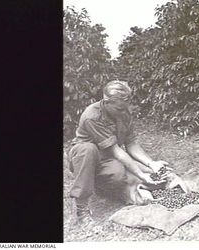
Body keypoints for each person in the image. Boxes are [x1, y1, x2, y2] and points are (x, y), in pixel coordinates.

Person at [68, 80, 172, 226]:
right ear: (106, 102)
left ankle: (101, 186)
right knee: (88, 150)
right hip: (85, 156)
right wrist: (141, 174)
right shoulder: (92, 116)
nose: (124, 112)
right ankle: (80, 208)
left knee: (124, 175)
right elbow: (116, 151)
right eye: (120, 109)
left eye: (125, 108)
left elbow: (131, 144)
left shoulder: (123, 110)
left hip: (108, 156)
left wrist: (151, 164)